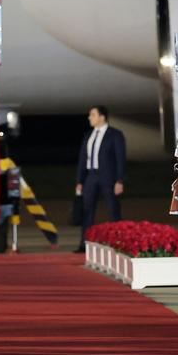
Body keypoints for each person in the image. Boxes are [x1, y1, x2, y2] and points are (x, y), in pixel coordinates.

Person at [74, 105, 127, 251]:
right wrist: (79, 181)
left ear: (102, 117)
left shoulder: (115, 135)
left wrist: (120, 180)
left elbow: (120, 159)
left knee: (113, 210)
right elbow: (82, 160)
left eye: (92, 115)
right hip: (91, 177)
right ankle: (84, 244)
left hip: (108, 178)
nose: (89, 117)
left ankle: (117, 243)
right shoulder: (88, 135)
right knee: (87, 211)